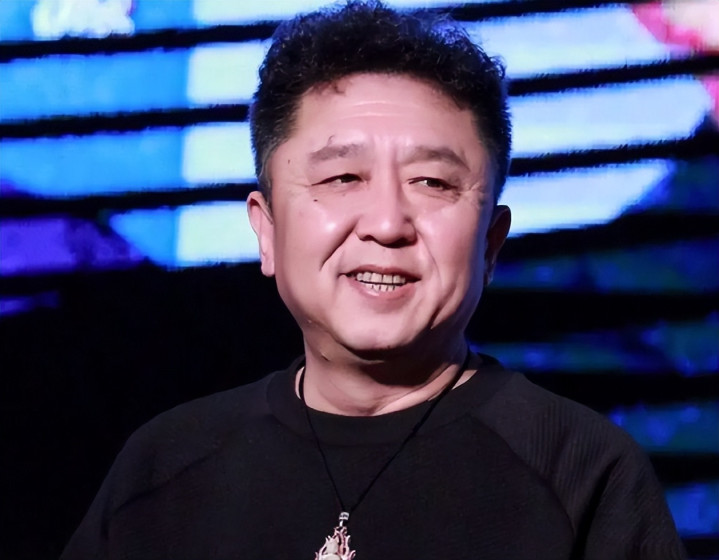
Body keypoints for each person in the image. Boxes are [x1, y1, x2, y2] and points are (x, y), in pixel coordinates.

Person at [61, 2, 686, 558]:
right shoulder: (165, 470)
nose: (387, 224)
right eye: (342, 178)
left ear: (491, 243)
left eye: (432, 182)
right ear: (267, 230)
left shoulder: (583, 475)